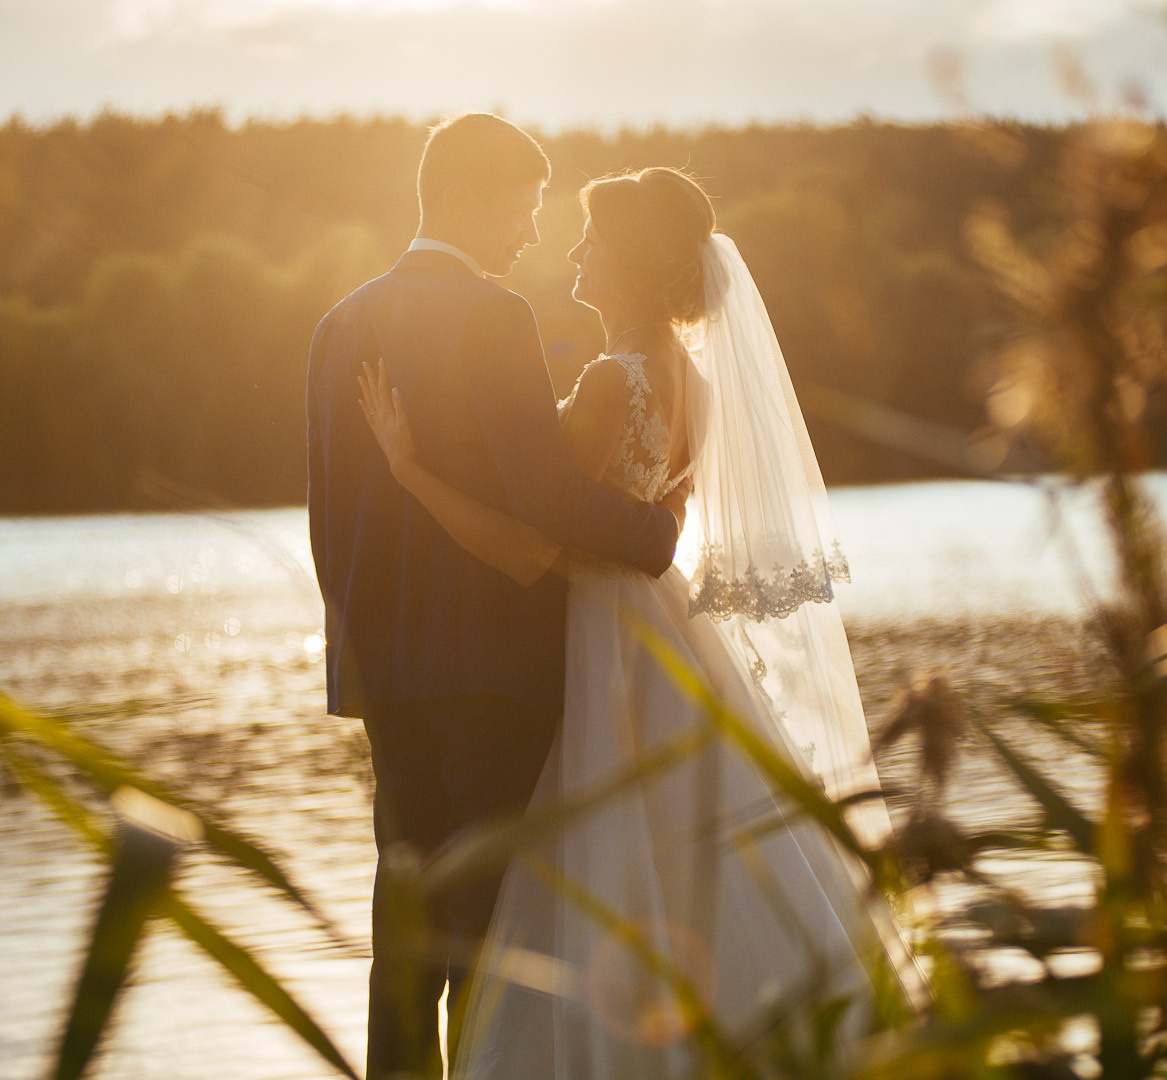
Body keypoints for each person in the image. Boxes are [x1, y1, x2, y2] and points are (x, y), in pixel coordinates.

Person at [359, 167, 920, 1078]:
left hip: (596, 634)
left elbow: (531, 546)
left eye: (590, 239)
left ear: (630, 258)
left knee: (604, 847)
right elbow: (658, 523)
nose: (575, 252)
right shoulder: (693, 381)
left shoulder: (610, 384)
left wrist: (410, 470)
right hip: (661, 624)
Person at [306, 117, 689, 1080]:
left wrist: (365, 652)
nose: (529, 233)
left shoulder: (338, 323)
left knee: (406, 912)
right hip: (500, 669)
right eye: (519, 208)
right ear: (466, 197)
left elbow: (327, 525)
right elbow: (547, 496)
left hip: (387, 676)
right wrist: (658, 534)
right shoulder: (493, 315)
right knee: (493, 918)